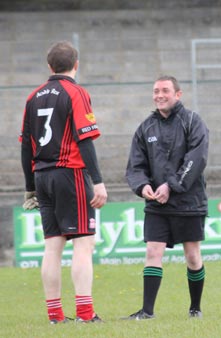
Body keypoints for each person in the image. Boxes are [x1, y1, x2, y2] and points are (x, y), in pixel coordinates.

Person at [19, 41, 108, 324]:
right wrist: (98, 181)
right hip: (69, 174)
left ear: (49, 67)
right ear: (76, 64)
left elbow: (25, 147)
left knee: (52, 247)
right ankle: (85, 312)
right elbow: (84, 138)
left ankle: (55, 315)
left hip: (42, 177)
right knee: (84, 242)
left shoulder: (33, 97)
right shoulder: (76, 92)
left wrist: (29, 186)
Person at [124, 75, 209, 320]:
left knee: (192, 256)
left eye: (165, 90)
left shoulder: (193, 121)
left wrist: (172, 186)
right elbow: (135, 165)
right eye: (155, 91)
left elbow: (197, 158)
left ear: (178, 94)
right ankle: (147, 312)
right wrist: (142, 187)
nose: (159, 95)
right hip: (157, 204)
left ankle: (195, 308)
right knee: (153, 251)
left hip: (188, 202)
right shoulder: (145, 128)